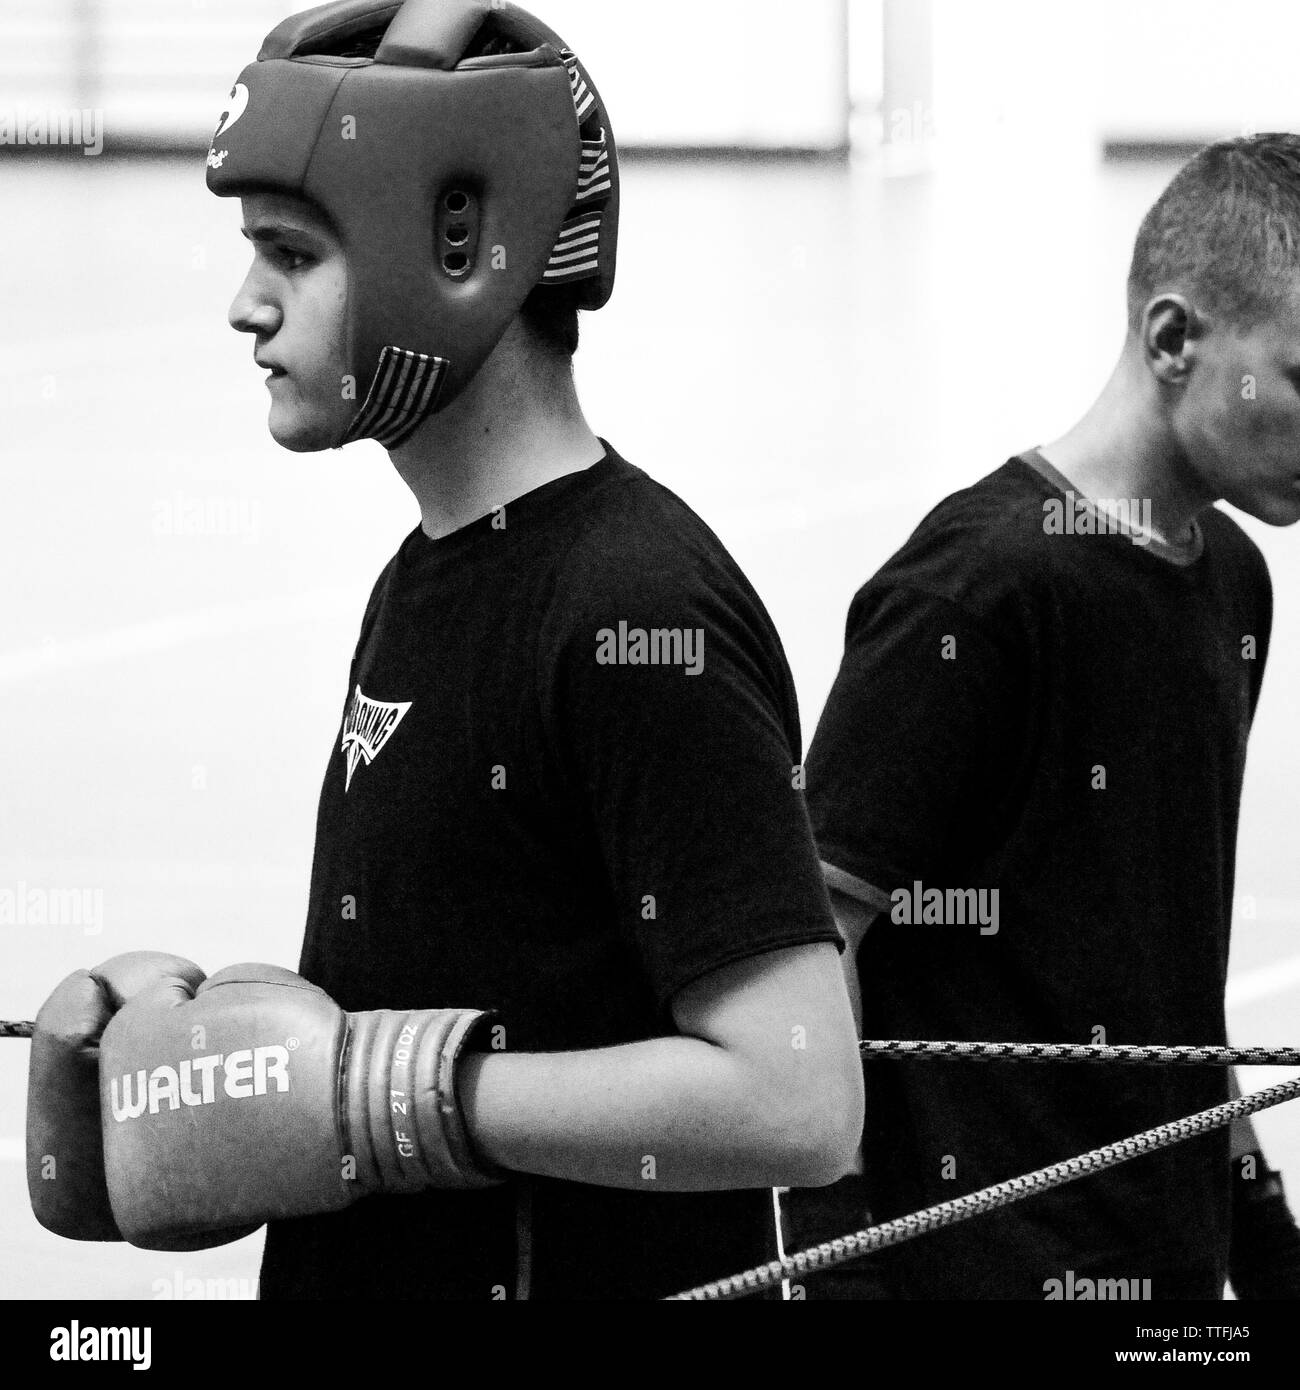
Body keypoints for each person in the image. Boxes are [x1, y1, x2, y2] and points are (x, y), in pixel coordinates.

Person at [25, 0, 862, 1301]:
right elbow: (486, 972)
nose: (245, 307)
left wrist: (383, 1093)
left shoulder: (638, 609)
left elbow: (799, 1097)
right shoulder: (426, 570)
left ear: (458, 246)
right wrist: (233, 1045)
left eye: (292, 255)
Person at [785, 132, 1300, 1300]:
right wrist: (834, 1255)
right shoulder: (976, 592)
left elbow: (1163, 963)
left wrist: (1260, 1224)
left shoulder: (1233, 578)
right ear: (1173, 340)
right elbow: (810, 942)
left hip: (1166, 1269)